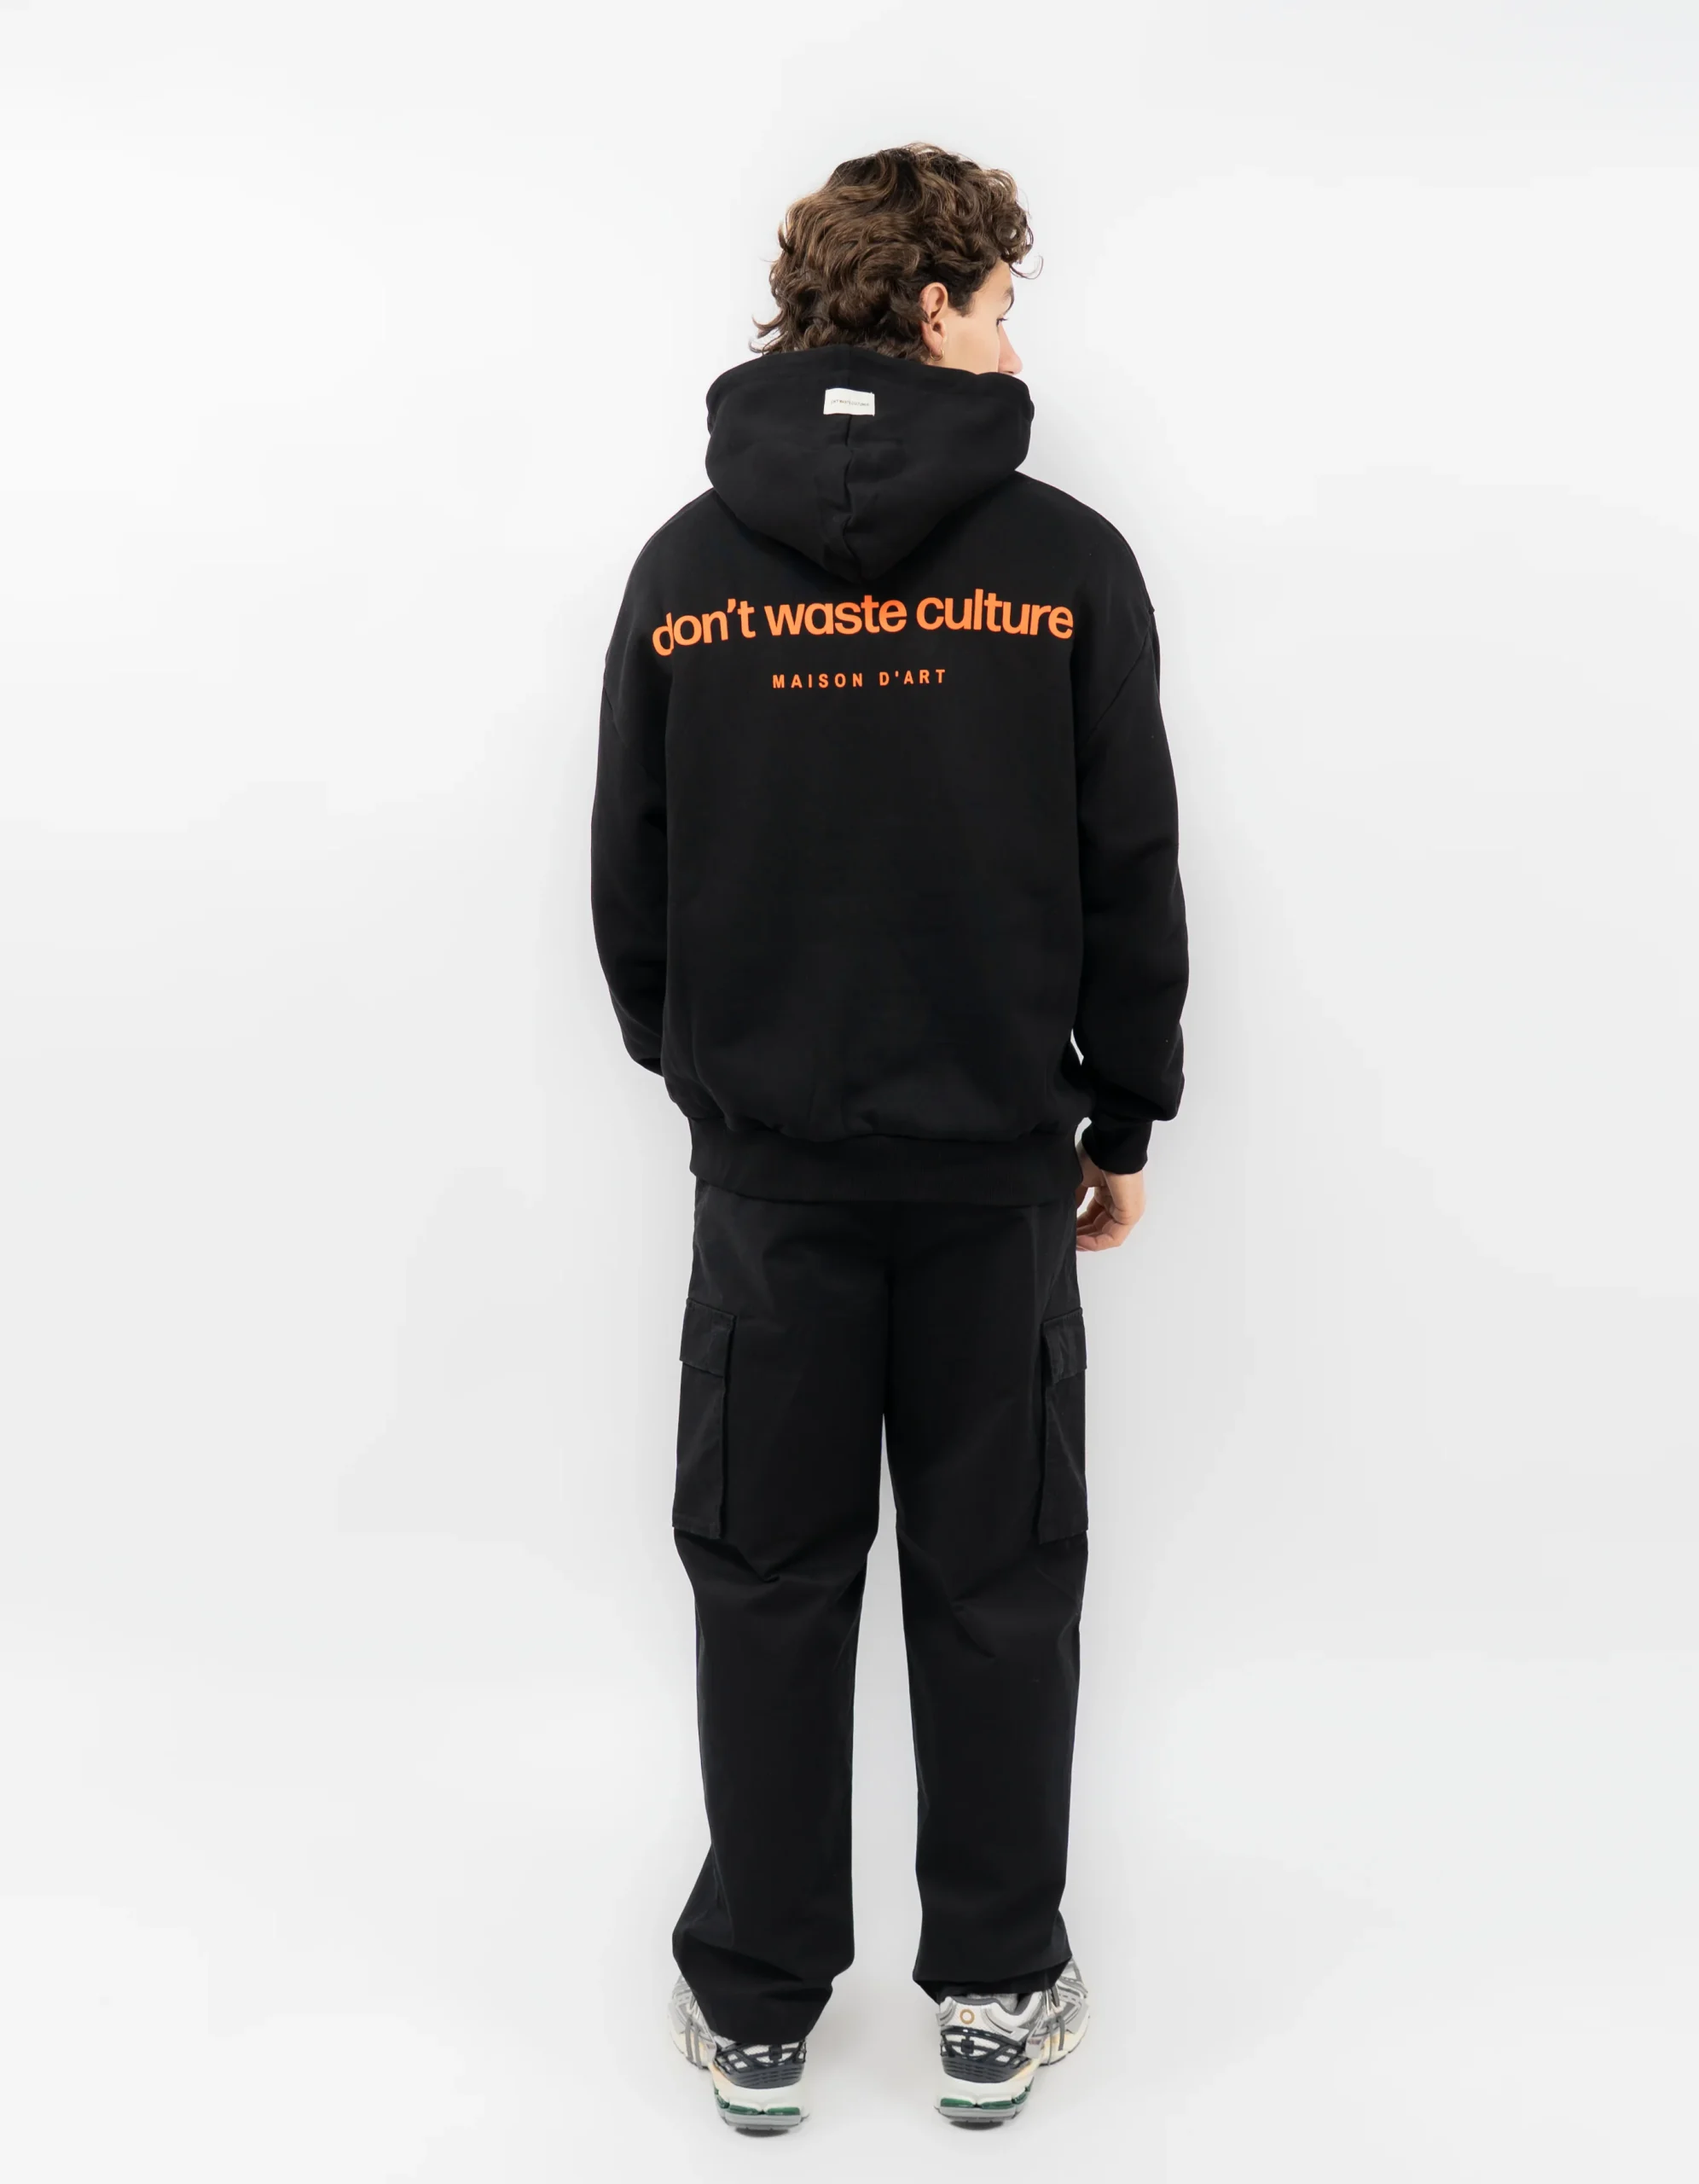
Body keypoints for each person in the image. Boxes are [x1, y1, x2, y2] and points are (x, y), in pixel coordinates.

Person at [590, 142, 1189, 2133]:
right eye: (1003, 302)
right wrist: (1121, 1104)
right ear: (933, 307)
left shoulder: (688, 569)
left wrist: (719, 1078)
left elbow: (630, 874)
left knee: (765, 1566)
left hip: (772, 1178)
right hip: (995, 1167)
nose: (1017, 337)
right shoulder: (1065, 563)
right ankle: (995, 1985)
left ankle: (758, 2003)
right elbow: (1126, 857)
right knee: (998, 1568)